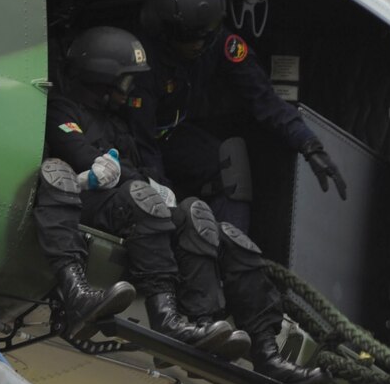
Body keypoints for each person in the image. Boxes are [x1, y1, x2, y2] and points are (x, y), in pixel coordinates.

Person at [136, 0, 348, 384]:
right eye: (191, 38)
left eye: (205, 36)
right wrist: (157, 197)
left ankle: (234, 264)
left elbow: (263, 99)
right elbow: (141, 139)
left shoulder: (218, 42)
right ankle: (201, 299)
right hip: (141, 143)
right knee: (165, 202)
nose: (200, 44)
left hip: (177, 137)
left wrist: (308, 143)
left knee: (229, 157)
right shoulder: (145, 56)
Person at [33, 25, 241, 354]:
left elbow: (133, 167)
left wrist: (150, 183)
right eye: (126, 81)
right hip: (85, 203)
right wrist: (137, 182)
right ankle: (163, 315)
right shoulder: (63, 109)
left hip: (122, 206)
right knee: (141, 198)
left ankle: (202, 320)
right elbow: (81, 156)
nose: (130, 91)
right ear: (102, 78)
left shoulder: (117, 123)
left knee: (194, 216)